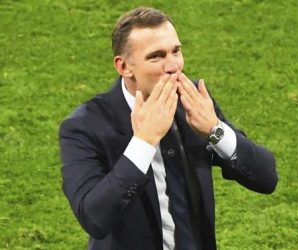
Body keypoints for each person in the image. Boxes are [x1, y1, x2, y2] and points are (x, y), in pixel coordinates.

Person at [59, 6, 278, 250]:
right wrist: (143, 143)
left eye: (176, 51)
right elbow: (94, 218)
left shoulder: (193, 102)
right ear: (124, 67)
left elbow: (266, 178)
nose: (173, 65)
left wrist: (215, 129)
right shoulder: (84, 126)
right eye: (157, 56)